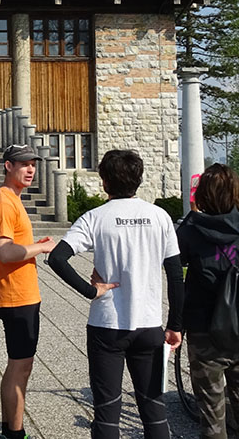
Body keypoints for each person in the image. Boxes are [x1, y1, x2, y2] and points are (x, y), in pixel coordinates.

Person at [46, 149, 183, 439]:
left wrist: (90, 290)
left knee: (107, 411)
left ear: (104, 181)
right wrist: (175, 325)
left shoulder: (95, 218)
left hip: (107, 325)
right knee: (153, 410)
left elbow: (57, 258)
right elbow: (175, 275)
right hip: (148, 325)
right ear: (139, 179)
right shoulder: (160, 217)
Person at [176, 163, 239, 439]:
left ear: (202, 195)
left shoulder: (190, 232)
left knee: (212, 415)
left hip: (205, 331)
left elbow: (177, 262)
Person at [0, 144, 58, 439]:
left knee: (21, 364)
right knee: (19, 366)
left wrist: (31, 246)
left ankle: (10, 428)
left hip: (24, 293)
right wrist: (39, 248)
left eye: (33, 164)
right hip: (16, 296)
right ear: (8, 166)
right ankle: (14, 433)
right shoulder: (3, 202)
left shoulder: (13, 200)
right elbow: (4, 252)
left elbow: (15, 246)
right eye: (23, 164)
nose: (30, 170)